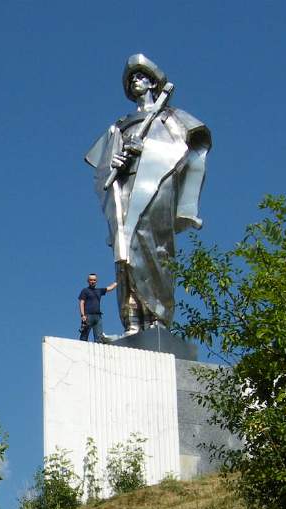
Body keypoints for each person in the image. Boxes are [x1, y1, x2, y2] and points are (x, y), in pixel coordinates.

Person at [84, 54, 211, 335]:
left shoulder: (170, 118)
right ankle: (131, 320)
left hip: (156, 188)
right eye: (131, 79)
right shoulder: (120, 125)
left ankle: (157, 316)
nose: (136, 82)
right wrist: (114, 162)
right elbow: (101, 166)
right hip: (125, 189)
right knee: (124, 253)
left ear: (153, 82)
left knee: (153, 248)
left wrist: (148, 149)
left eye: (140, 76)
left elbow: (189, 152)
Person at [78, 273, 117, 342]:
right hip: (88, 316)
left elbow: (110, 288)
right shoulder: (85, 291)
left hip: (98, 317)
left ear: (96, 281)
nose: (92, 281)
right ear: (88, 281)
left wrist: (117, 281)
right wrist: (82, 315)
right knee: (84, 336)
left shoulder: (99, 291)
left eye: (94, 280)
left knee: (99, 338)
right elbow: (81, 303)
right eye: (91, 280)